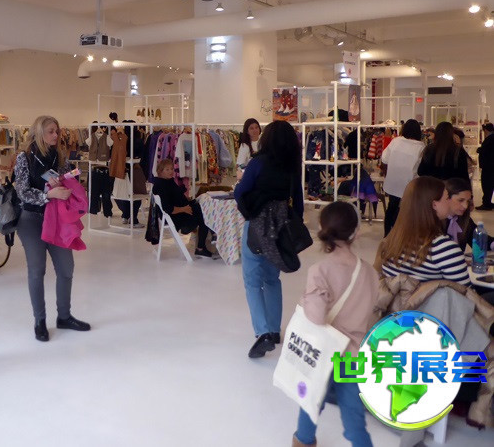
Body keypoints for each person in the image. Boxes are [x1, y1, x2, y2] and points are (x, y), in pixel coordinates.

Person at [292, 202, 378, 447]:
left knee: (311, 401)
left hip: (324, 352)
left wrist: (306, 300)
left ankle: (303, 440)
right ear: (356, 233)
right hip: (353, 354)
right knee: (353, 415)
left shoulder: (320, 270)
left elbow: (317, 317)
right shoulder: (370, 273)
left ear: (322, 228)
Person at [14, 115, 90, 342]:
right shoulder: (24, 157)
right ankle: (40, 321)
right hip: (31, 219)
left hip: (57, 219)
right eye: (51, 131)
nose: (56, 135)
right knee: (37, 270)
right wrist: (48, 195)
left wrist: (66, 184)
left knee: (66, 268)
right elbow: (22, 192)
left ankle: (64, 316)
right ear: (39, 132)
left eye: (57, 131)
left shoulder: (60, 156)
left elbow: (68, 179)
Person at [234, 120, 304, 358]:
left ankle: (262, 332)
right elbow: (298, 201)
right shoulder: (292, 166)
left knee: (252, 282)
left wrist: (248, 211)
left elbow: (240, 191)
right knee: (272, 279)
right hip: (279, 229)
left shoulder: (258, 162)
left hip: (256, 226)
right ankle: (274, 330)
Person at [375, 176, 470, 286]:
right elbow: (466, 293)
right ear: (434, 205)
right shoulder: (444, 249)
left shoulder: (392, 242)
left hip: (397, 297)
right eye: (447, 198)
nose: (449, 203)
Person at [151, 159, 217, 259]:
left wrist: (187, 202)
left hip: (183, 211)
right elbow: (168, 208)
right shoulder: (161, 185)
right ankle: (204, 243)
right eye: (167, 169)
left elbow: (177, 196)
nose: (171, 171)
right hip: (178, 217)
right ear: (160, 171)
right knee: (204, 213)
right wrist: (184, 209)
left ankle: (206, 241)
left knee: (203, 206)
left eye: (172, 169)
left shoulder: (168, 181)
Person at [380, 119, 424, 235]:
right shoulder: (421, 147)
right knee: (406, 211)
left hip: (393, 182)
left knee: (391, 207)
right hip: (409, 184)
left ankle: (387, 235)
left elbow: (384, 158)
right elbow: (421, 168)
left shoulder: (396, 141)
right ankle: (401, 236)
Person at [445, 177, 475, 250]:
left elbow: (478, 238)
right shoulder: (435, 222)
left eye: (468, 201)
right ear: (446, 198)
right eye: (460, 200)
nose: (465, 206)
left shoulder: (464, 218)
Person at [476, 122, 494, 210]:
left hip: (489, 166)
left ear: (486, 130)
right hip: (490, 165)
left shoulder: (490, 139)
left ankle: (486, 203)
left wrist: (479, 149)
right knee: (489, 184)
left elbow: (485, 150)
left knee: (487, 184)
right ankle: (487, 202)